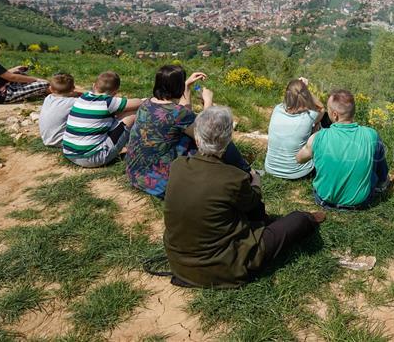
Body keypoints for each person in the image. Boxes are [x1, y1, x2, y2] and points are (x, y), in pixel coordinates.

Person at [163, 106, 326, 288]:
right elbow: (253, 203)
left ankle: (266, 225)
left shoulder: (178, 166)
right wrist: (255, 182)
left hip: (179, 264)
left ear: (198, 138)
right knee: (297, 219)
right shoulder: (233, 177)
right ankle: (307, 219)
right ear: (228, 139)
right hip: (225, 268)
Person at [125, 65, 253, 199]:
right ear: (177, 87)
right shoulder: (178, 114)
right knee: (218, 139)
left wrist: (186, 86)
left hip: (136, 174)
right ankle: (246, 173)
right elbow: (208, 133)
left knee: (190, 134)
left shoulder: (146, 104)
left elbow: (183, 114)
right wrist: (208, 101)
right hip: (161, 184)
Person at [296, 89, 389, 210]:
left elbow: (299, 159)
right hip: (360, 202)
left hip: (324, 199)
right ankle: (382, 183)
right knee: (375, 159)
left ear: (334, 114)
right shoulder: (371, 134)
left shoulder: (318, 137)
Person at [62, 71, 141, 168]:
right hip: (92, 158)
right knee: (132, 115)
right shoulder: (108, 102)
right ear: (115, 92)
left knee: (115, 114)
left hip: (69, 152)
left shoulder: (83, 97)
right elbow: (138, 102)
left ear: (94, 85)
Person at [264, 78, 324, 180]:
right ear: (305, 95)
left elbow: (289, 102)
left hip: (270, 169)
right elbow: (321, 108)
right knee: (319, 126)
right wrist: (306, 89)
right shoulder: (310, 116)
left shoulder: (277, 109)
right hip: (300, 172)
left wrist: (296, 90)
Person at [0, 35, 49, 104]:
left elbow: (0, 73)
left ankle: (40, 92)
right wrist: (36, 79)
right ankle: (52, 95)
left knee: (21, 75)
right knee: (44, 84)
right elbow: (12, 77)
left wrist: (15, 69)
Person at [38, 73, 82, 147]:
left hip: (46, 138)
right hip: (62, 141)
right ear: (73, 88)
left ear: (51, 89)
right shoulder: (74, 102)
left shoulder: (48, 98)